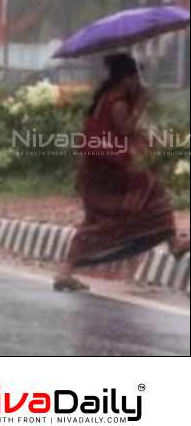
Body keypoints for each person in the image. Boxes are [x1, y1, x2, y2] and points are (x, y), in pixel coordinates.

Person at [54, 53, 190, 292]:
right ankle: (173, 243)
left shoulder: (109, 97)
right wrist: (140, 105)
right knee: (142, 198)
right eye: (135, 75)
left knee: (101, 219)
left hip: (101, 169)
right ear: (125, 78)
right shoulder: (117, 101)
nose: (138, 80)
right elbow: (126, 130)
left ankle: (66, 270)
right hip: (110, 172)